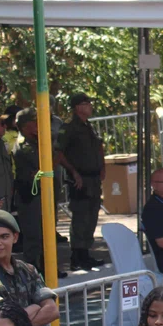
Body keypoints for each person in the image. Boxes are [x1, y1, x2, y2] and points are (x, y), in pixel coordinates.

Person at [9, 108, 65, 278]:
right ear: (25, 126)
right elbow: (36, 172)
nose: (37, 126)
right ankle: (32, 272)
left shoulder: (39, 142)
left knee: (47, 232)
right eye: (34, 123)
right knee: (34, 235)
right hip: (31, 197)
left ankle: (48, 267)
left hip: (45, 194)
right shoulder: (23, 146)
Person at [55, 92, 105, 270]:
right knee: (80, 216)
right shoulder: (69, 128)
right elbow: (59, 152)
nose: (90, 106)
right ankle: (77, 255)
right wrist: (73, 172)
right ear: (77, 107)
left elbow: (98, 148)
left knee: (92, 215)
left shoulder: (88, 126)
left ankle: (85, 252)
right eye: (86, 103)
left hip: (93, 179)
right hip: (80, 179)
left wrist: (102, 167)